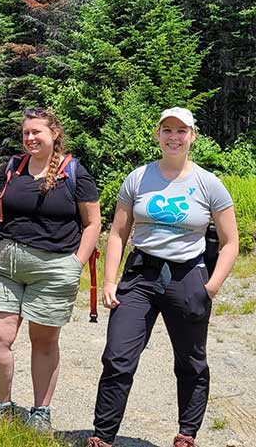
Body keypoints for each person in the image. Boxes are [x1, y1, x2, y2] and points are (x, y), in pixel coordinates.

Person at [87, 107, 238, 447]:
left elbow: (230, 242)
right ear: (157, 135)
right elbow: (117, 233)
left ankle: (187, 434)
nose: (174, 137)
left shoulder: (208, 183)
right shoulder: (138, 178)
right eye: (167, 130)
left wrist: (210, 287)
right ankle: (103, 437)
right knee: (118, 356)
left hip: (187, 277)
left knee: (191, 361)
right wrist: (110, 282)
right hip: (140, 275)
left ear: (192, 136)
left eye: (181, 131)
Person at [0, 107, 101, 433]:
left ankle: (40, 411)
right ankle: (2, 406)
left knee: (43, 341)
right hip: (4, 264)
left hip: (54, 267)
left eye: (37, 132)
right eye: (26, 133)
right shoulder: (11, 168)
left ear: (54, 134)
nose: (30, 138)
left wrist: (76, 264)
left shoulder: (74, 172)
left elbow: (92, 224)